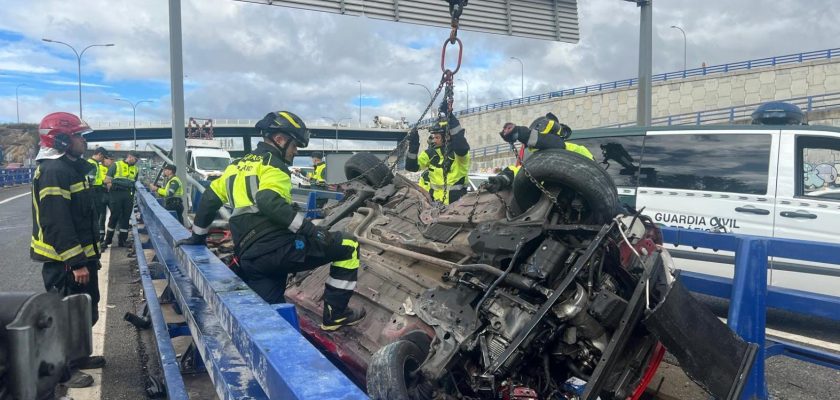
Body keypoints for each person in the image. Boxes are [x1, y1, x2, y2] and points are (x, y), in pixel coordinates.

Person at [177, 111, 365, 331]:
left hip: (249, 256)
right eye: (295, 146)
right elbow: (267, 200)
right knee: (349, 246)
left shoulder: (235, 166)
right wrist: (311, 231)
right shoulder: (274, 166)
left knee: (269, 316)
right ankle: (335, 316)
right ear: (280, 140)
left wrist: (198, 237)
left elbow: (209, 199)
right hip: (278, 251)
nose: (295, 152)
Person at [30, 112, 105, 388]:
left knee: (84, 312)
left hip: (81, 258)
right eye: (78, 136)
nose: (83, 142)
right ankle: (63, 372)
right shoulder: (54, 172)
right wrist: (75, 262)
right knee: (63, 318)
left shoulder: (70, 167)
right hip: (64, 262)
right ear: (61, 140)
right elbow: (56, 222)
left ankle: (77, 356)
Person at [485, 113, 593, 193]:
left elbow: (594, 174)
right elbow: (518, 171)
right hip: (542, 209)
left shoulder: (575, 150)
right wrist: (501, 179)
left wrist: (522, 134)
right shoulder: (535, 159)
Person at [405, 112, 471, 205]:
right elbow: (411, 167)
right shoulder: (430, 154)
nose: (434, 140)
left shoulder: (459, 155)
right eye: (433, 137)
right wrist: (414, 145)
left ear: (447, 137)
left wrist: (450, 116)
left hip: (457, 205)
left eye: (437, 137)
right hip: (434, 205)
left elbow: (461, 145)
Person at [102, 151, 139, 248]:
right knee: (114, 216)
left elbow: (134, 183)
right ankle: (107, 240)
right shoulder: (116, 165)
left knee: (126, 218)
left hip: (128, 195)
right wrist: (117, 182)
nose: (136, 162)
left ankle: (122, 241)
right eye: (135, 159)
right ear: (130, 157)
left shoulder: (136, 169)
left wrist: (117, 181)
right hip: (116, 194)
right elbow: (107, 180)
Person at [86, 147, 109, 241]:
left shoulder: (93, 163)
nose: (103, 160)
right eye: (103, 157)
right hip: (94, 191)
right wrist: (103, 181)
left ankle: (94, 237)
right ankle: (94, 238)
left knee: (96, 215)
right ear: (99, 154)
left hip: (94, 191)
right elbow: (90, 180)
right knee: (95, 215)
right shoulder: (92, 164)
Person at [98, 155, 114, 239]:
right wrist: (107, 182)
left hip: (111, 194)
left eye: (112, 160)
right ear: (105, 159)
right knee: (102, 215)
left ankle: (109, 237)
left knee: (114, 214)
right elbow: (103, 180)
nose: (111, 161)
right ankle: (101, 235)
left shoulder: (112, 168)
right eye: (110, 159)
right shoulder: (99, 167)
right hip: (102, 193)